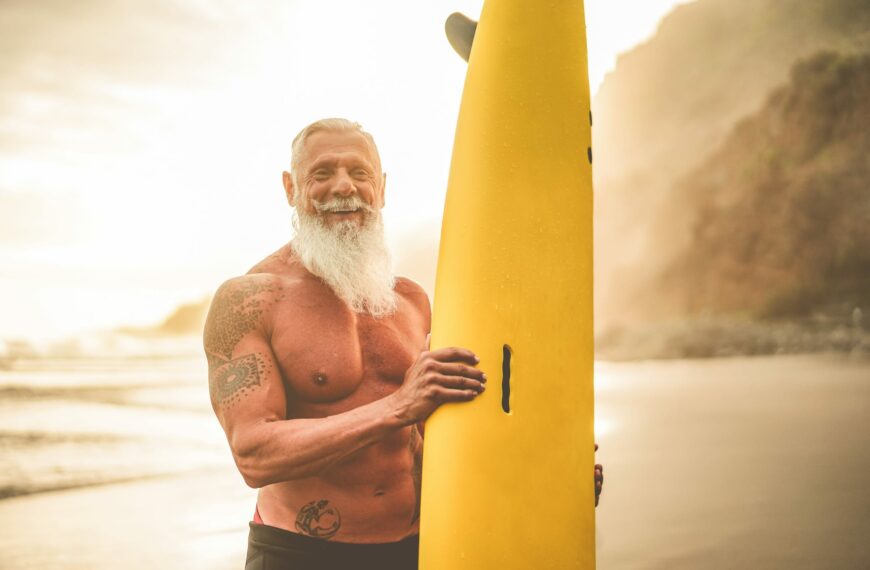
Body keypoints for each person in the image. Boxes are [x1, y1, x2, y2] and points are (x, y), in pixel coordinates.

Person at [203, 118, 603, 570]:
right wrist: (399, 406)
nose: (343, 187)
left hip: (424, 548)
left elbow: (442, 433)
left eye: (359, 174)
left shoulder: (411, 300)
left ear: (382, 188)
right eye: (321, 174)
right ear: (290, 187)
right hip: (304, 553)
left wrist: (545, 478)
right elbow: (253, 453)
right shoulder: (249, 300)